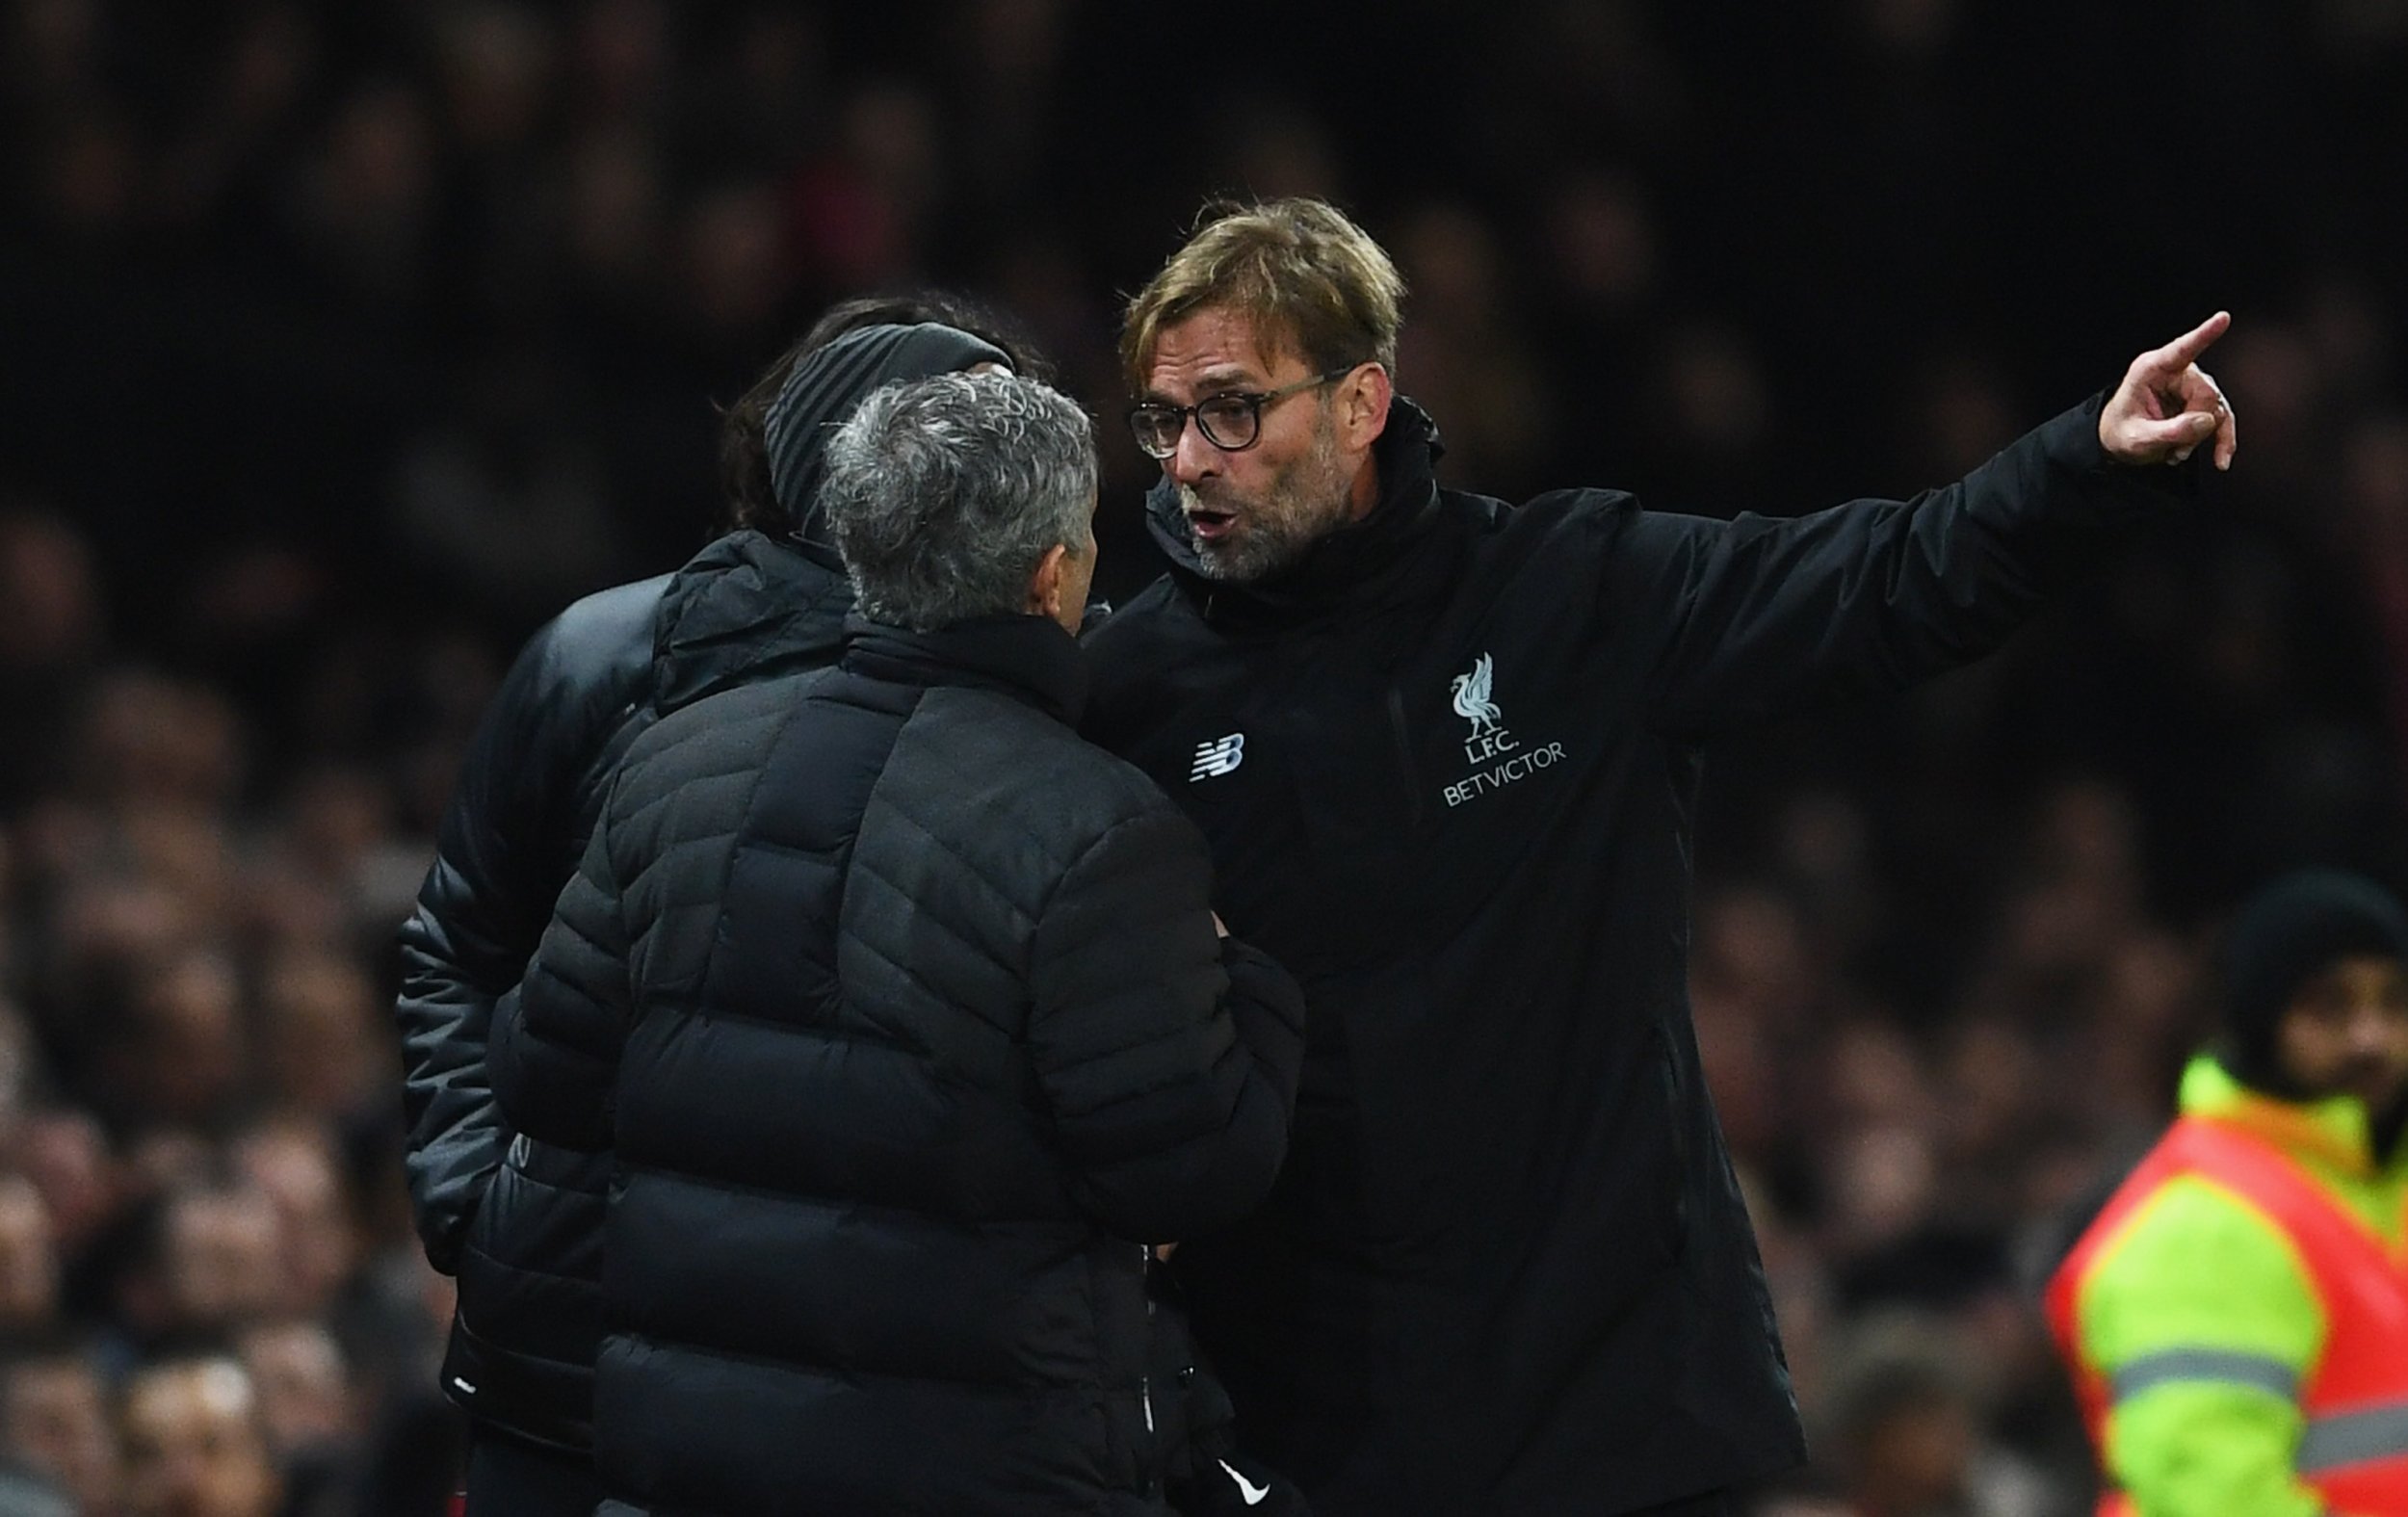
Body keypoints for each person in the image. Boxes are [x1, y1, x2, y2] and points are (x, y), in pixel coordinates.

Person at [1079, 196, 2239, 1517]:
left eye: (1233, 407)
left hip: (1617, 1405)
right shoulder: (1124, 693)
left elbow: (1878, 584)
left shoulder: (1568, 589)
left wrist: (2085, 462)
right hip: (1310, 1431)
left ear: (1361, 402)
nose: (1189, 459)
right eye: (1164, 420)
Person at [490, 368, 1307, 1514]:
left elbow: (542, 1073)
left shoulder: (673, 768)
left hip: (684, 1465)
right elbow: (1191, 1166)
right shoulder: (1099, 831)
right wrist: (1250, 975)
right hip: (983, 1470)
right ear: (1049, 575)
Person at [391, 294, 1028, 1514]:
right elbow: (461, 943)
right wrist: (479, 1201)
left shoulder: (1048, 697)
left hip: (885, 1379)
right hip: (579, 1359)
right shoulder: (601, 658)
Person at [2046, 869, 2408, 1517]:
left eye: (2394, 1002)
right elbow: (2211, 1499)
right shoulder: (2204, 1227)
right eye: (2329, 1006)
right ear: (2258, 1021)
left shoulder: (2377, 1196)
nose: (2370, 1036)